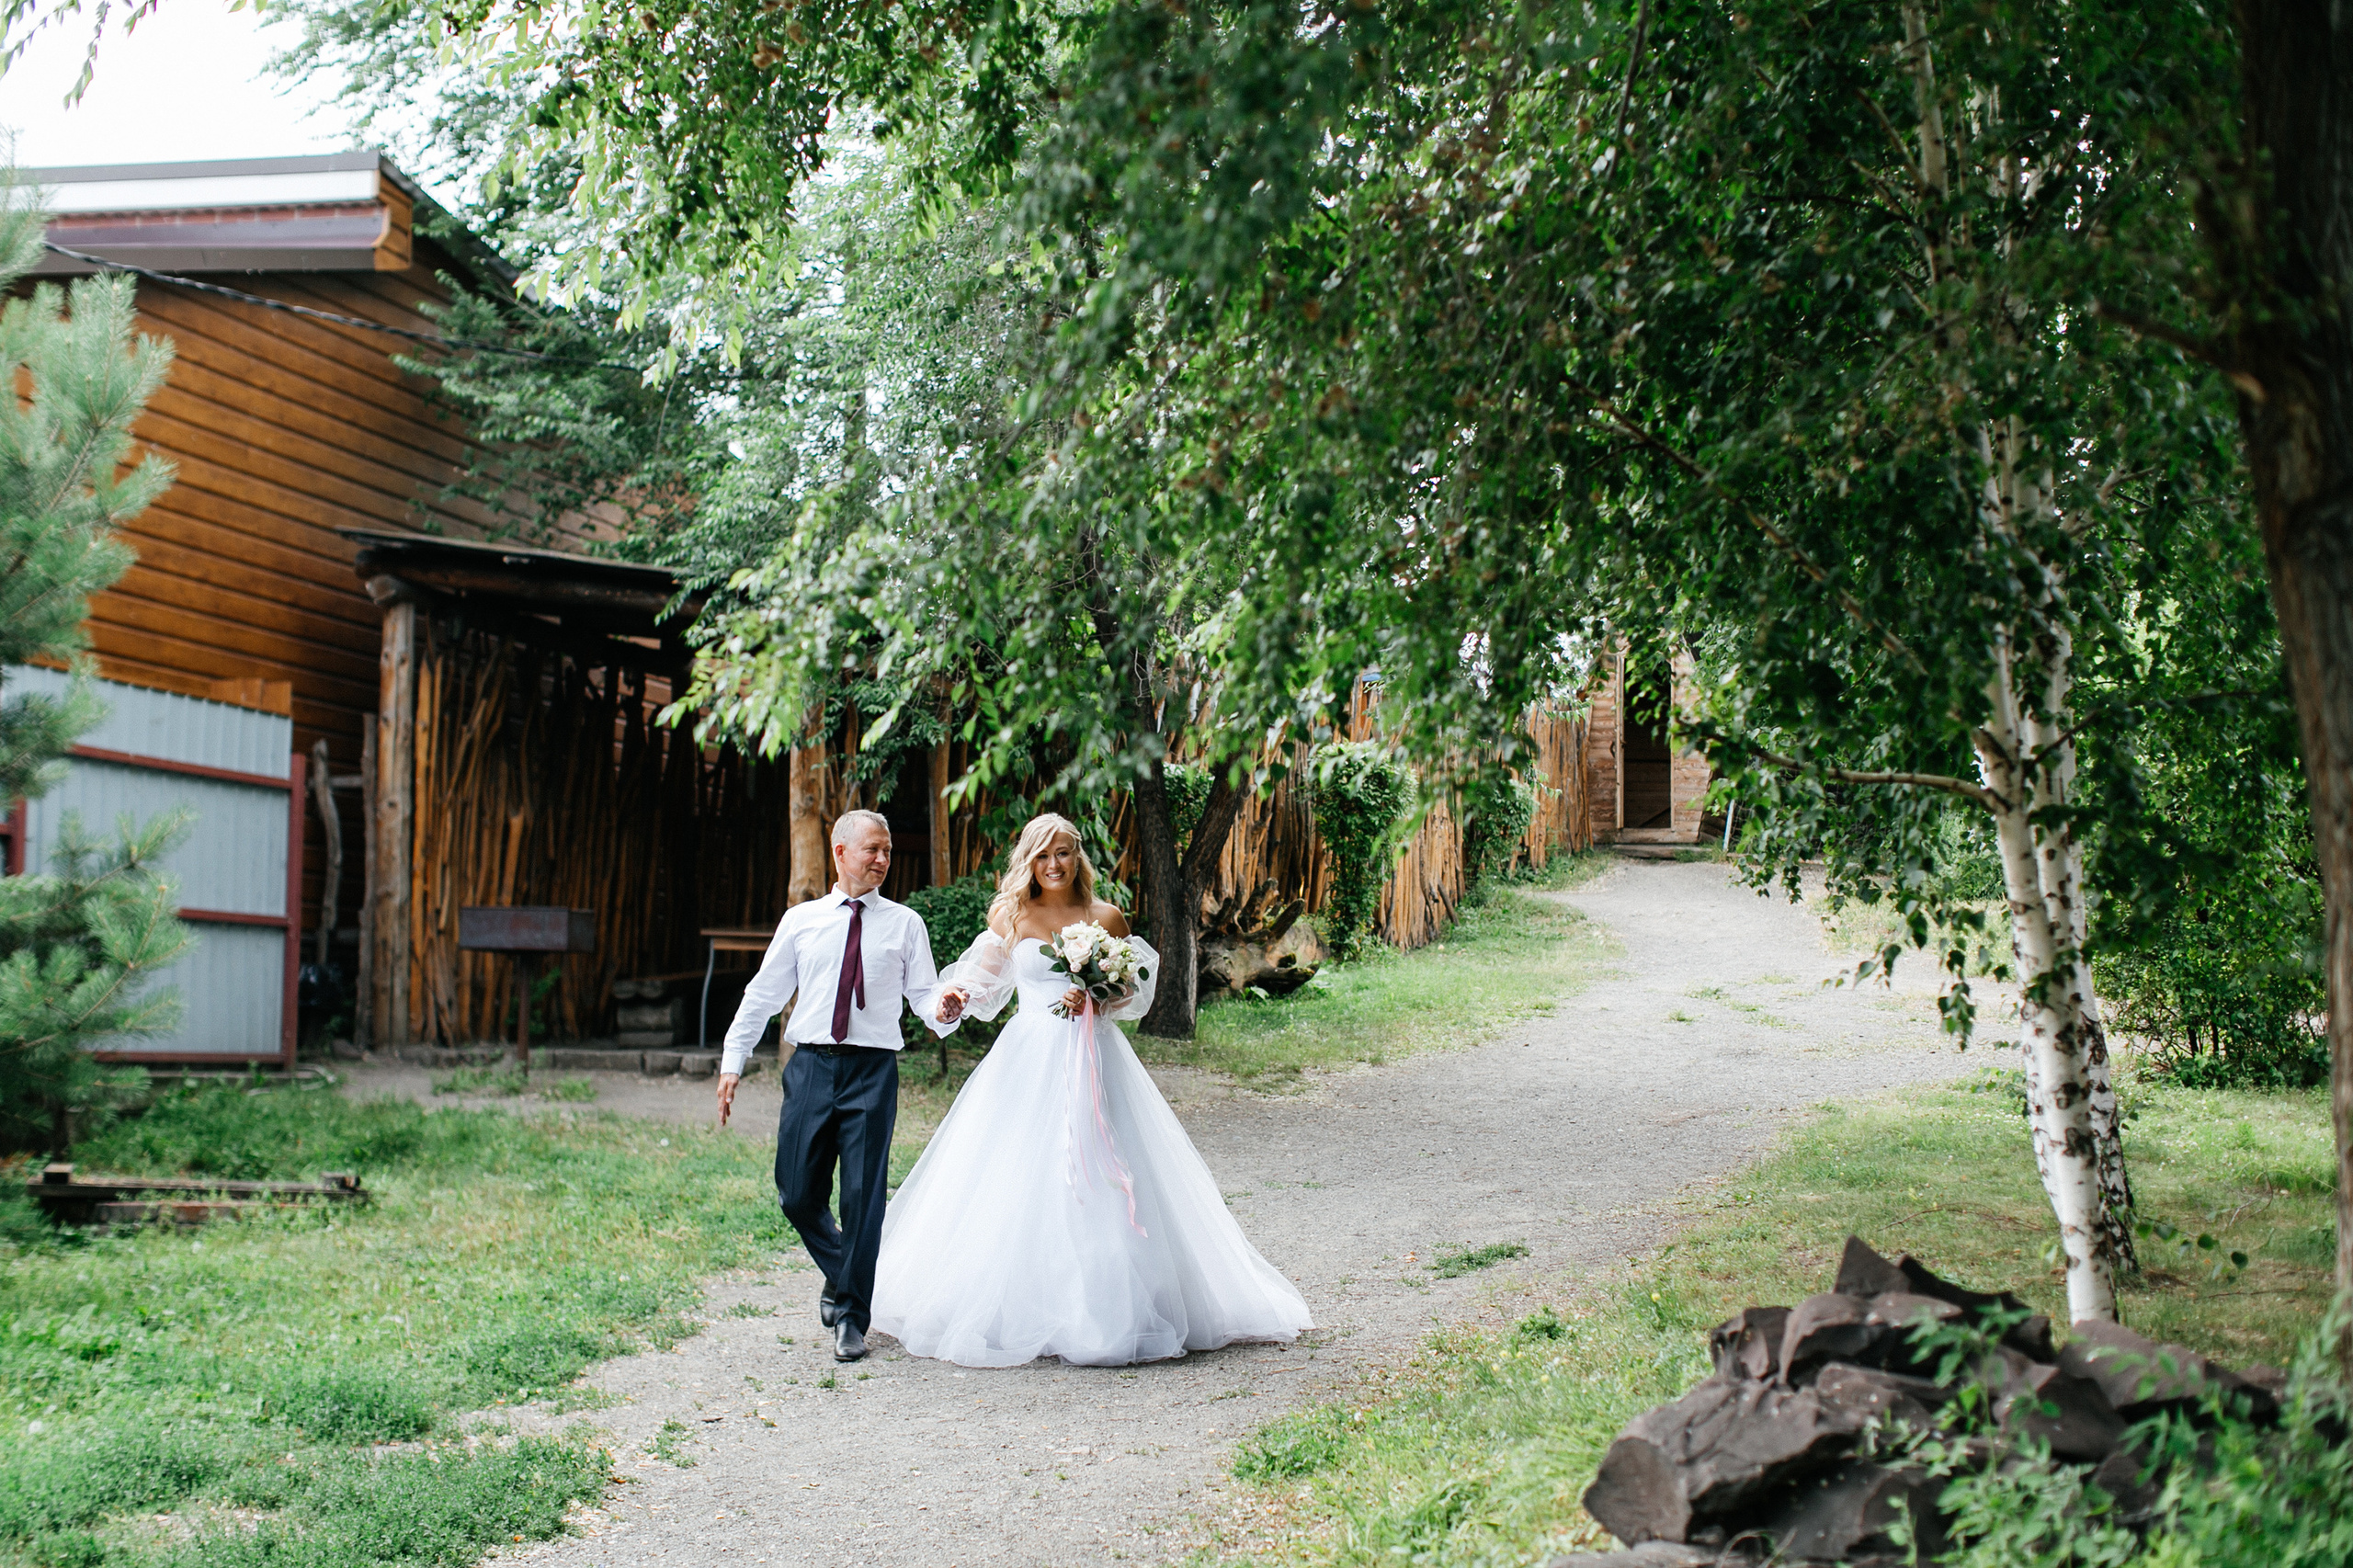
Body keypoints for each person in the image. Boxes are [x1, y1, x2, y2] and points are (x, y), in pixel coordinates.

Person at [870, 812, 1313, 1367]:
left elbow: (1129, 991)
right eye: (1042, 855)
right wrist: (956, 998)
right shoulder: (1011, 914)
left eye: (1062, 853)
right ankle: (1021, 1302)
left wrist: (1097, 998)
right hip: (1028, 1057)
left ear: (1077, 856)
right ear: (1028, 861)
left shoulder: (1105, 917)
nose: (1053, 864)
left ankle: (1115, 1304)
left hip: (1096, 1057)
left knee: (1106, 1168)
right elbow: (984, 983)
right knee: (1017, 1172)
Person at [714, 809, 951, 1362]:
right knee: (797, 1192)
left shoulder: (905, 924)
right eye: (872, 849)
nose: (883, 860)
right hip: (812, 1068)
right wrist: (732, 1061)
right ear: (840, 852)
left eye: (887, 851)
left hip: (873, 1072)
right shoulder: (801, 921)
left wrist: (946, 1009)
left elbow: (925, 997)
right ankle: (846, 1270)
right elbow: (763, 995)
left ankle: (851, 1316)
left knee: (863, 1196)